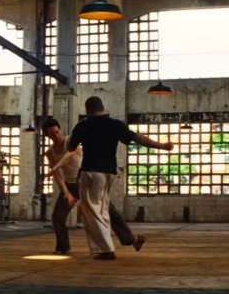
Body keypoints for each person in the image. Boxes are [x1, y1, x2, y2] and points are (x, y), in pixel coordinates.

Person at [68, 96, 173, 260]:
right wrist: (161, 146)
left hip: (90, 172)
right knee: (100, 209)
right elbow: (137, 138)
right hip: (107, 173)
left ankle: (106, 249)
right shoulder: (115, 125)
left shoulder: (82, 126)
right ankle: (121, 242)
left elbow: (70, 147)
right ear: (102, 108)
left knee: (95, 211)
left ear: (87, 110)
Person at [42, 118, 146, 255]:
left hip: (87, 182)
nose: (56, 136)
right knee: (57, 216)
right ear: (48, 136)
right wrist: (66, 193)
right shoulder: (50, 152)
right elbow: (58, 176)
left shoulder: (71, 142)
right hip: (71, 186)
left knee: (110, 211)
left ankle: (131, 240)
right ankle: (63, 246)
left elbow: (71, 153)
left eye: (57, 132)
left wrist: (57, 165)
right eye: (52, 135)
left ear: (60, 129)